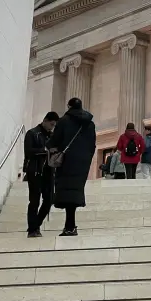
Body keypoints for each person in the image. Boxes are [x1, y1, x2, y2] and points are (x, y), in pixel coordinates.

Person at [46, 98, 96, 236]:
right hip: (82, 163)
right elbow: (92, 145)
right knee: (74, 192)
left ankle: (70, 226)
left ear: (69, 106)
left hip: (67, 161)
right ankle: (70, 225)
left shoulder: (63, 121)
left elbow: (54, 141)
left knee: (67, 192)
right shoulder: (90, 124)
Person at [23, 112, 59, 238]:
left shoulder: (52, 136)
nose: (52, 127)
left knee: (49, 199)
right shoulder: (32, 133)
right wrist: (44, 151)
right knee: (34, 201)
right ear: (45, 120)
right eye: (51, 124)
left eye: (54, 125)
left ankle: (35, 225)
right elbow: (28, 151)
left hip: (48, 171)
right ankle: (33, 229)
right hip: (35, 170)